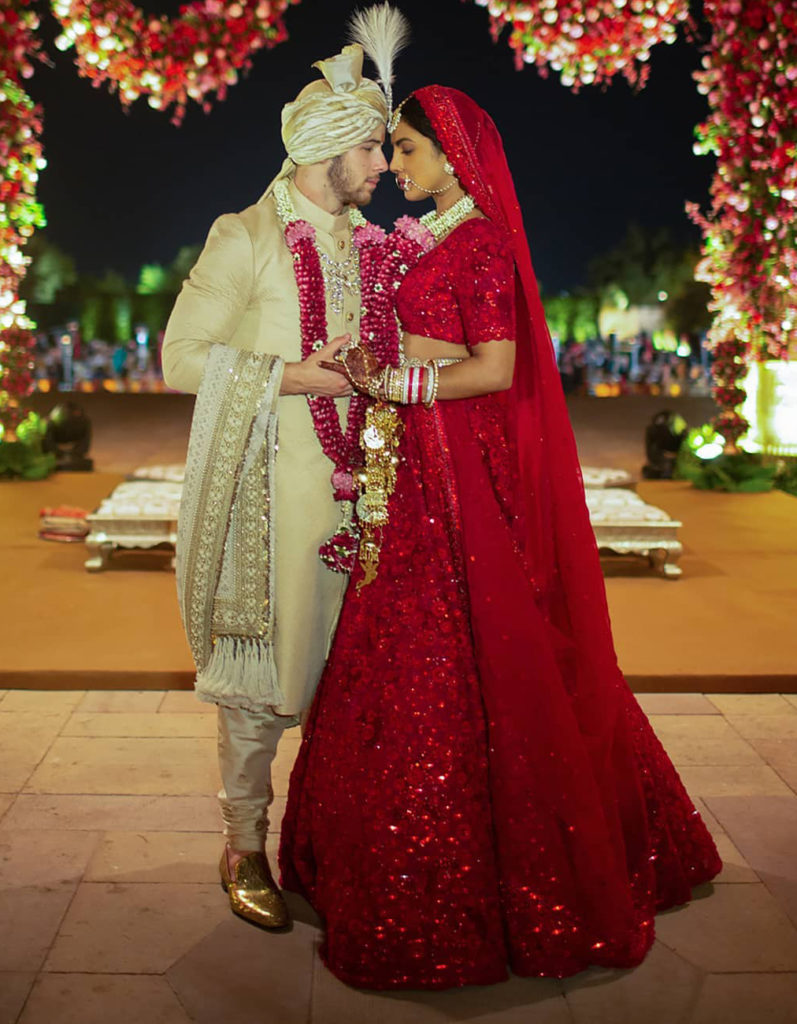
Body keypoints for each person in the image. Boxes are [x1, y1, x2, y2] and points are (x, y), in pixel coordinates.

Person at [279, 86, 721, 989]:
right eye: (391, 151)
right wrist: (385, 361)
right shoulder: (434, 233)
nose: (394, 166)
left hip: (453, 465)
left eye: (404, 150)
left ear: (451, 153)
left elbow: (497, 366)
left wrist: (398, 383)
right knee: (412, 643)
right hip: (419, 459)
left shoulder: (478, 240)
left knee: (471, 641)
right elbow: (426, 339)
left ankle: (494, 877)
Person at [160, 15, 407, 930]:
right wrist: (303, 378)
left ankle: (327, 839)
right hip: (267, 496)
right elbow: (181, 359)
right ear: (332, 148)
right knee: (260, 688)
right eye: (375, 150)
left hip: (364, 501)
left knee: (355, 682)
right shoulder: (247, 237)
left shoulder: (368, 246)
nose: (384, 167)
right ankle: (245, 844)